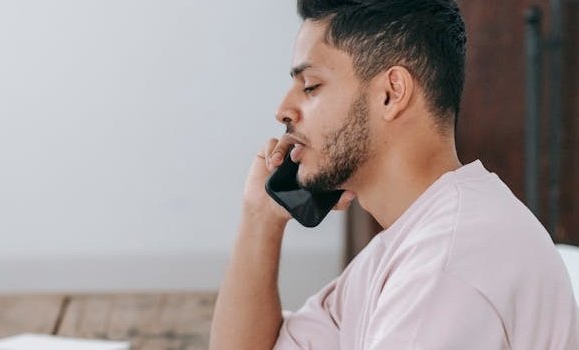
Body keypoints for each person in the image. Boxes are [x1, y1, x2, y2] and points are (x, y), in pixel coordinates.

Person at [209, 0, 579, 349]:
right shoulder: (406, 248)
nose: (283, 110)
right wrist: (261, 217)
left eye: (310, 87)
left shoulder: (445, 269)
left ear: (391, 93)